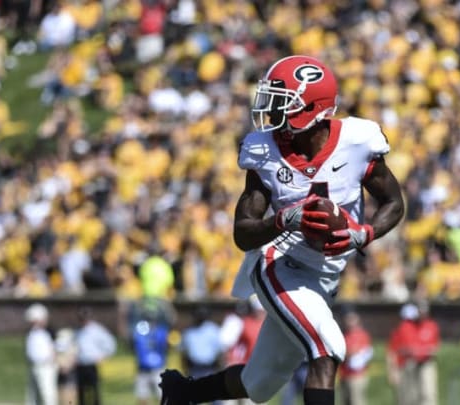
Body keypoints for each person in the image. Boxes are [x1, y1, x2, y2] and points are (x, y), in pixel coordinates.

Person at [159, 54, 405, 405]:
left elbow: (394, 203)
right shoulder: (264, 152)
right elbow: (243, 233)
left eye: (282, 102)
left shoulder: (358, 141)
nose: (272, 112)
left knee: (259, 382)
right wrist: (283, 219)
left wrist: (364, 233)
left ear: (313, 108)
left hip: (325, 275)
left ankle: (182, 393)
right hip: (279, 262)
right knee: (328, 346)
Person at [386, 301, 440, 405]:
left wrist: (421, 351)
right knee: (409, 395)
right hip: (409, 363)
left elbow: (434, 348)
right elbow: (397, 349)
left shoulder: (431, 326)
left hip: (426, 362)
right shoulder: (405, 326)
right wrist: (393, 369)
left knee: (428, 393)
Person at [129, 296, 175, 405]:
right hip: (143, 369)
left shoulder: (162, 332)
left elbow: (172, 321)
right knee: (142, 398)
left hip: (158, 368)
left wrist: (166, 305)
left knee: (163, 397)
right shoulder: (140, 331)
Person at [219, 297, 266, 405]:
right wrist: (230, 359)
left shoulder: (264, 325)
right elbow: (228, 343)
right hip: (238, 368)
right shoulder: (241, 322)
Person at [75, 307, 117, 405]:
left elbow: (110, 344)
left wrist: (103, 356)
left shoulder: (97, 329)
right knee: (81, 391)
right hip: (80, 364)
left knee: (94, 390)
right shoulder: (78, 331)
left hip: (91, 364)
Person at [24, 302, 58, 405]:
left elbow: (55, 347)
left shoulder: (49, 331)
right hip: (34, 365)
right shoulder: (32, 332)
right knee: (32, 395)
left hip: (46, 366)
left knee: (47, 393)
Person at [338, 306, 373, 405]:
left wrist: (349, 353)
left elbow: (362, 353)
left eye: (352, 318)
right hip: (344, 374)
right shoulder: (343, 335)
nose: (349, 321)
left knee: (356, 401)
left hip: (357, 375)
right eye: (347, 318)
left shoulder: (362, 334)